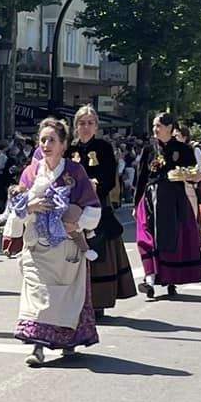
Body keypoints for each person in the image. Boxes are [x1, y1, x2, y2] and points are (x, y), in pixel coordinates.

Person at [3, 118, 100, 367]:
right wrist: (29, 206)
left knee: (65, 297)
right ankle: (37, 346)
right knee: (36, 293)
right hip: (37, 245)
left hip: (66, 247)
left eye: (51, 140)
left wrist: (75, 222)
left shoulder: (75, 172)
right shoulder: (31, 172)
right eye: (43, 139)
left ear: (63, 145)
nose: (46, 144)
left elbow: (92, 208)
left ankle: (67, 339)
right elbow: (16, 207)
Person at [71, 106, 138, 316]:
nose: (86, 127)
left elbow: (110, 177)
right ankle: (75, 301)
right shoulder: (69, 149)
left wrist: (95, 186)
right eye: (82, 123)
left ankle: (98, 302)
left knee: (98, 252)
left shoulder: (103, 147)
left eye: (90, 123)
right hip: (72, 207)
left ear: (96, 127)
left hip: (97, 205)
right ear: (76, 126)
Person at [137, 112, 201, 300]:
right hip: (151, 197)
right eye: (154, 126)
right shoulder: (149, 149)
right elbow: (141, 177)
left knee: (171, 237)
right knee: (147, 236)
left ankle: (171, 278)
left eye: (158, 125)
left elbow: (194, 172)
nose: (155, 129)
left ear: (169, 128)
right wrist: (137, 203)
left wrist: (188, 175)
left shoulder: (182, 149)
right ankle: (149, 278)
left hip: (174, 198)